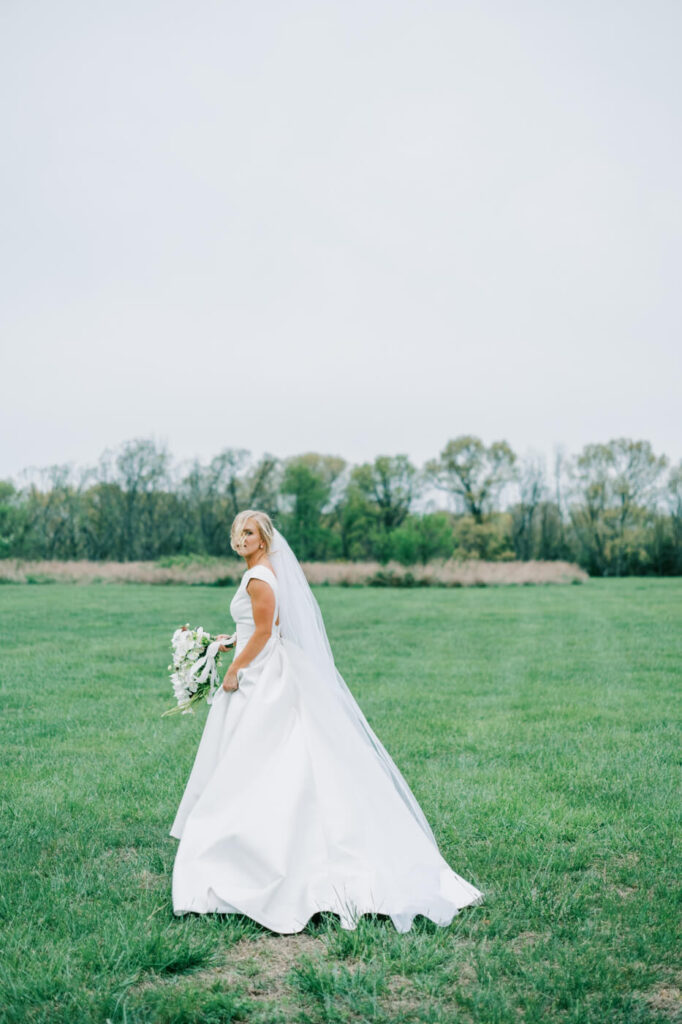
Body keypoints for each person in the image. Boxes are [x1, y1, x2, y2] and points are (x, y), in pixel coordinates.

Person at [170, 510, 484, 933]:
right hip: (265, 662)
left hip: (260, 672)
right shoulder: (262, 573)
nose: (241, 538)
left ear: (263, 540)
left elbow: (264, 632)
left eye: (249, 532)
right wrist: (225, 642)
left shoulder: (258, 578)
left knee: (256, 759)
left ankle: (247, 850)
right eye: (237, 532)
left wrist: (235, 669)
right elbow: (265, 625)